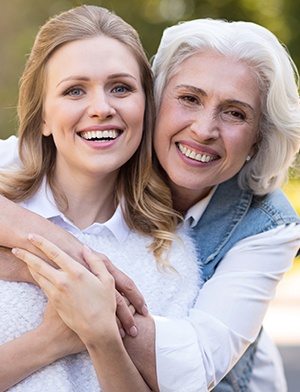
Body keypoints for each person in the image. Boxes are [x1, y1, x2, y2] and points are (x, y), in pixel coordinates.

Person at [1, 15, 300, 392]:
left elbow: (195, 367)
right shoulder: (42, 162)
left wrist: (97, 313)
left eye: (235, 113)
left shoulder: (241, 234)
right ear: (157, 101)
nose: (204, 130)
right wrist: (72, 264)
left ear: (257, 140)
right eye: (189, 99)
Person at [0, 5, 202, 391]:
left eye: (121, 88)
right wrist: (49, 341)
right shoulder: (8, 206)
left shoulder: (172, 258)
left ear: (147, 106)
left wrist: (102, 335)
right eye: (75, 90)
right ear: (42, 115)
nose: (101, 108)